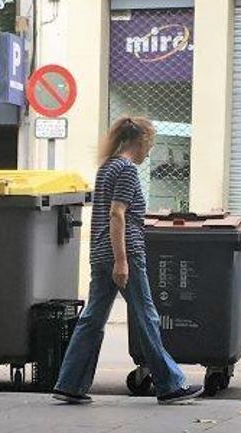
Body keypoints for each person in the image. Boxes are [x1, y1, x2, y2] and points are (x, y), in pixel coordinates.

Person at [52, 117, 204, 405]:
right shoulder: (127, 170)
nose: (151, 150)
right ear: (141, 141)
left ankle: (69, 384)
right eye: (151, 143)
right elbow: (117, 214)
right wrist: (122, 261)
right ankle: (170, 385)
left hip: (100, 253)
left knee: (92, 320)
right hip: (125, 253)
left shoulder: (107, 167)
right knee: (147, 316)